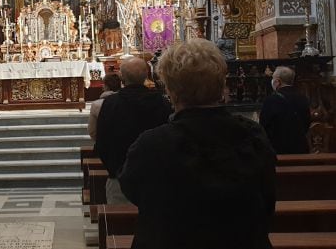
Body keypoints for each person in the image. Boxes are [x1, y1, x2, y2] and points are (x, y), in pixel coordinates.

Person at [119, 39, 275, 249]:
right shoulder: (253, 136)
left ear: (171, 91)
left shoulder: (153, 144)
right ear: (222, 85)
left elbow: (134, 190)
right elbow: (267, 197)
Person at [95, 57, 172, 204]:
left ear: (122, 78)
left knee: (121, 225)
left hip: (120, 178)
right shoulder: (161, 102)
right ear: (146, 75)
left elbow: (102, 142)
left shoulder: (110, 104)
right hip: (156, 179)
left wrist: (114, 169)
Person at [259, 66, 311, 154]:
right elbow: (307, 122)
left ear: (278, 82)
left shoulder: (271, 100)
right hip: (300, 147)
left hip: (278, 149)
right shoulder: (303, 98)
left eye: (273, 78)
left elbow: (263, 126)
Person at [88, 73, 121, 142]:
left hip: (105, 146)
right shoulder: (126, 100)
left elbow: (92, 131)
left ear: (106, 86)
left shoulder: (96, 105)